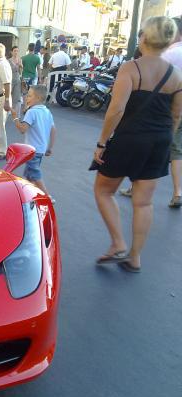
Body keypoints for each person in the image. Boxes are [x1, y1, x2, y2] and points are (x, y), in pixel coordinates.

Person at [91, 17, 182, 272]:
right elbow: (176, 115)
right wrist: (163, 141)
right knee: (144, 202)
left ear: (143, 37)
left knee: (103, 191)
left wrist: (101, 143)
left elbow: (116, 110)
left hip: (130, 138)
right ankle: (135, 257)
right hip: (160, 140)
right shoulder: (176, 75)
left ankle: (118, 243)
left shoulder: (131, 68)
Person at [10, 84, 56, 200]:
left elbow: (22, 129)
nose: (26, 98)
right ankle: (27, 196)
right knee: (29, 176)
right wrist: (50, 147)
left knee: (34, 173)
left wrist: (15, 117)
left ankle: (47, 196)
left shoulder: (32, 112)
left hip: (32, 150)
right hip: (40, 150)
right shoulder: (47, 112)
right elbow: (53, 130)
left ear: (38, 98)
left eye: (30, 96)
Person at [163, 16, 182, 208]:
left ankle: (137, 188)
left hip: (169, 107)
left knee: (151, 144)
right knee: (177, 149)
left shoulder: (170, 53)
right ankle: (177, 192)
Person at [8, 45, 23, 116]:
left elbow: (20, 72)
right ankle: (8, 110)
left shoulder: (20, 60)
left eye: (17, 51)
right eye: (15, 51)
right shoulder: (8, 60)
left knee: (17, 96)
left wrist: (21, 67)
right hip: (10, 79)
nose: (16, 52)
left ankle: (16, 113)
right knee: (8, 95)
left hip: (17, 79)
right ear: (11, 52)